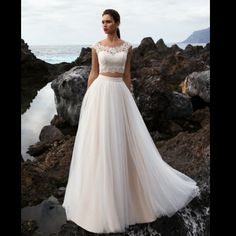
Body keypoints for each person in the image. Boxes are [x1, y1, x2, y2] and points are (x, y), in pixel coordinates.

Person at [62, 9, 199, 234]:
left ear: (117, 23)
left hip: (120, 95)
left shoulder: (128, 47)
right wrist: (87, 99)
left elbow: (126, 75)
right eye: (102, 22)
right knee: (100, 143)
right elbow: (93, 74)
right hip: (99, 94)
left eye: (108, 22)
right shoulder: (97, 46)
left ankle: (130, 193)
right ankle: (101, 199)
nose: (104, 25)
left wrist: (128, 100)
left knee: (124, 142)